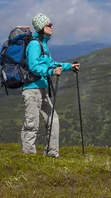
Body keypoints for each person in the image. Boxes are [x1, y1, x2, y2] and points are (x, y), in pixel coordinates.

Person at [21, 13, 80, 157]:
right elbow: (33, 66)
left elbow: (51, 64)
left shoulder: (43, 44)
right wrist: (51, 71)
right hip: (32, 89)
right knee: (32, 123)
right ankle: (28, 156)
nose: (51, 26)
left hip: (42, 88)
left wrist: (69, 66)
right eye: (48, 24)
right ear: (41, 27)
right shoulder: (34, 44)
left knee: (53, 119)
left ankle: (52, 153)